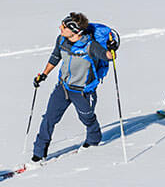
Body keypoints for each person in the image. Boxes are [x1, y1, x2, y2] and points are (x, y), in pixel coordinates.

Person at [32, 12, 109, 162]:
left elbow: (106, 55)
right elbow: (55, 57)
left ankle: (93, 140)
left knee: (87, 118)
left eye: (64, 26)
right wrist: (44, 74)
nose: (60, 27)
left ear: (75, 31)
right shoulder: (62, 40)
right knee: (49, 118)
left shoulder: (91, 45)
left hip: (82, 92)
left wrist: (112, 49)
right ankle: (39, 154)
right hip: (63, 88)